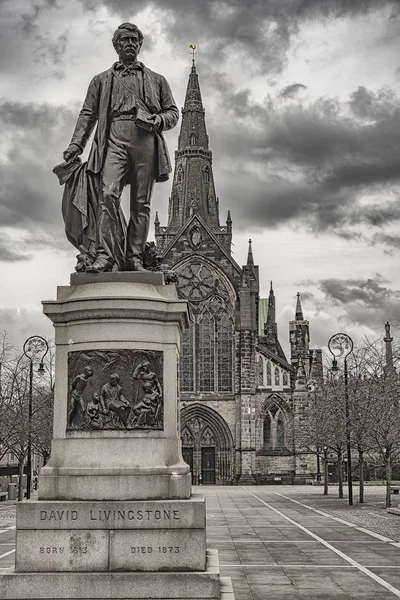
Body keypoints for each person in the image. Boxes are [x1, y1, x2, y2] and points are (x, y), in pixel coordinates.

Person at [63, 22, 179, 272]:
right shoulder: (101, 80)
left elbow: (172, 113)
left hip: (146, 140)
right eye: (125, 40)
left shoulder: (157, 80)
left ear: (140, 45)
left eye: (134, 40)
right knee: (108, 194)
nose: (130, 44)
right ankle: (106, 254)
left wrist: (157, 120)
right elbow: (87, 114)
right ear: (116, 45)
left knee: (141, 203)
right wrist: (76, 144)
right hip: (113, 138)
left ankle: (135, 258)